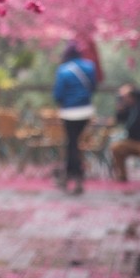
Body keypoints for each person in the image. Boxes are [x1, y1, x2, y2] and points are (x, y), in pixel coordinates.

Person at [52, 41, 98, 195]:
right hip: (85, 111)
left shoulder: (63, 70)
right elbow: (93, 87)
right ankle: (72, 177)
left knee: (72, 144)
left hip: (69, 113)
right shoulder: (90, 66)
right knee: (75, 144)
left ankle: (73, 176)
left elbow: (58, 94)